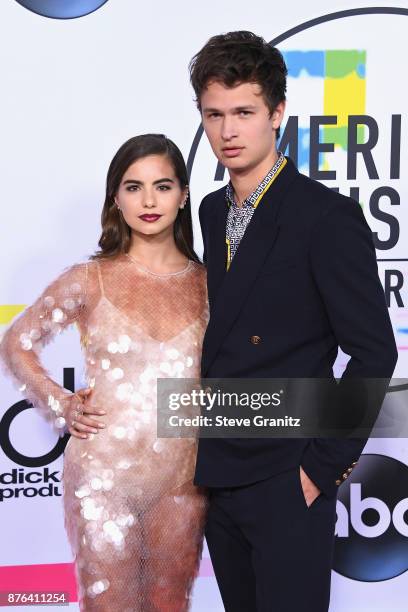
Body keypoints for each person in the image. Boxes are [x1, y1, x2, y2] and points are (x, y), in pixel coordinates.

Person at [189, 31, 398, 612]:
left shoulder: (325, 216)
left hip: (288, 475)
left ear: (277, 113)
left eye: (244, 112)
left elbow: (375, 351)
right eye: (214, 115)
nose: (228, 131)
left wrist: (321, 468)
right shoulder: (209, 211)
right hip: (218, 469)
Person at [0, 134, 208, 611]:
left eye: (163, 185)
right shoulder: (89, 279)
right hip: (103, 479)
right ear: (116, 197)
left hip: (185, 479)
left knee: (169, 604)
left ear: (184, 194)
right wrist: (62, 404)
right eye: (133, 187)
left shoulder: (210, 284)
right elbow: (17, 343)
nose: (149, 201)